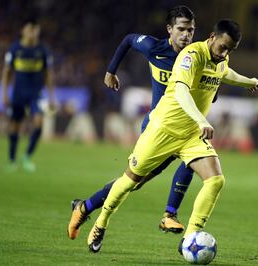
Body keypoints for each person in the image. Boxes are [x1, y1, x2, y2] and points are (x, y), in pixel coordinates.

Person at [86, 19, 258, 253]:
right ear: (211, 37)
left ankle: (190, 238)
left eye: (231, 49)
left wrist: (247, 82)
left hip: (190, 135)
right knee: (130, 181)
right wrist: (201, 119)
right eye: (223, 47)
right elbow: (180, 90)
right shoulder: (191, 55)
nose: (225, 53)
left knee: (216, 180)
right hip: (163, 129)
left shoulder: (221, 57)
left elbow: (224, 72)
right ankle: (101, 223)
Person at [68, 5, 198, 239]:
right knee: (132, 182)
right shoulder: (154, 48)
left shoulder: (197, 57)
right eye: (181, 29)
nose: (186, 35)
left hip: (184, 128)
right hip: (157, 129)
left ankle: (169, 214)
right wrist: (110, 71)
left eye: (191, 30)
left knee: (194, 160)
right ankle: (85, 207)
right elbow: (129, 39)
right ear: (169, 29)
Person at [1, 18, 55, 172]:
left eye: (35, 29)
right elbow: (6, 72)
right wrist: (4, 94)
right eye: (30, 29)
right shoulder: (15, 49)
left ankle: (26, 156)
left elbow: (49, 74)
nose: (33, 33)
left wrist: (51, 96)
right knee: (14, 127)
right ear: (23, 31)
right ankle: (12, 160)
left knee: (39, 123)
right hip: (18, 94)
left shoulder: (43, 50)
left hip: (36, 94)